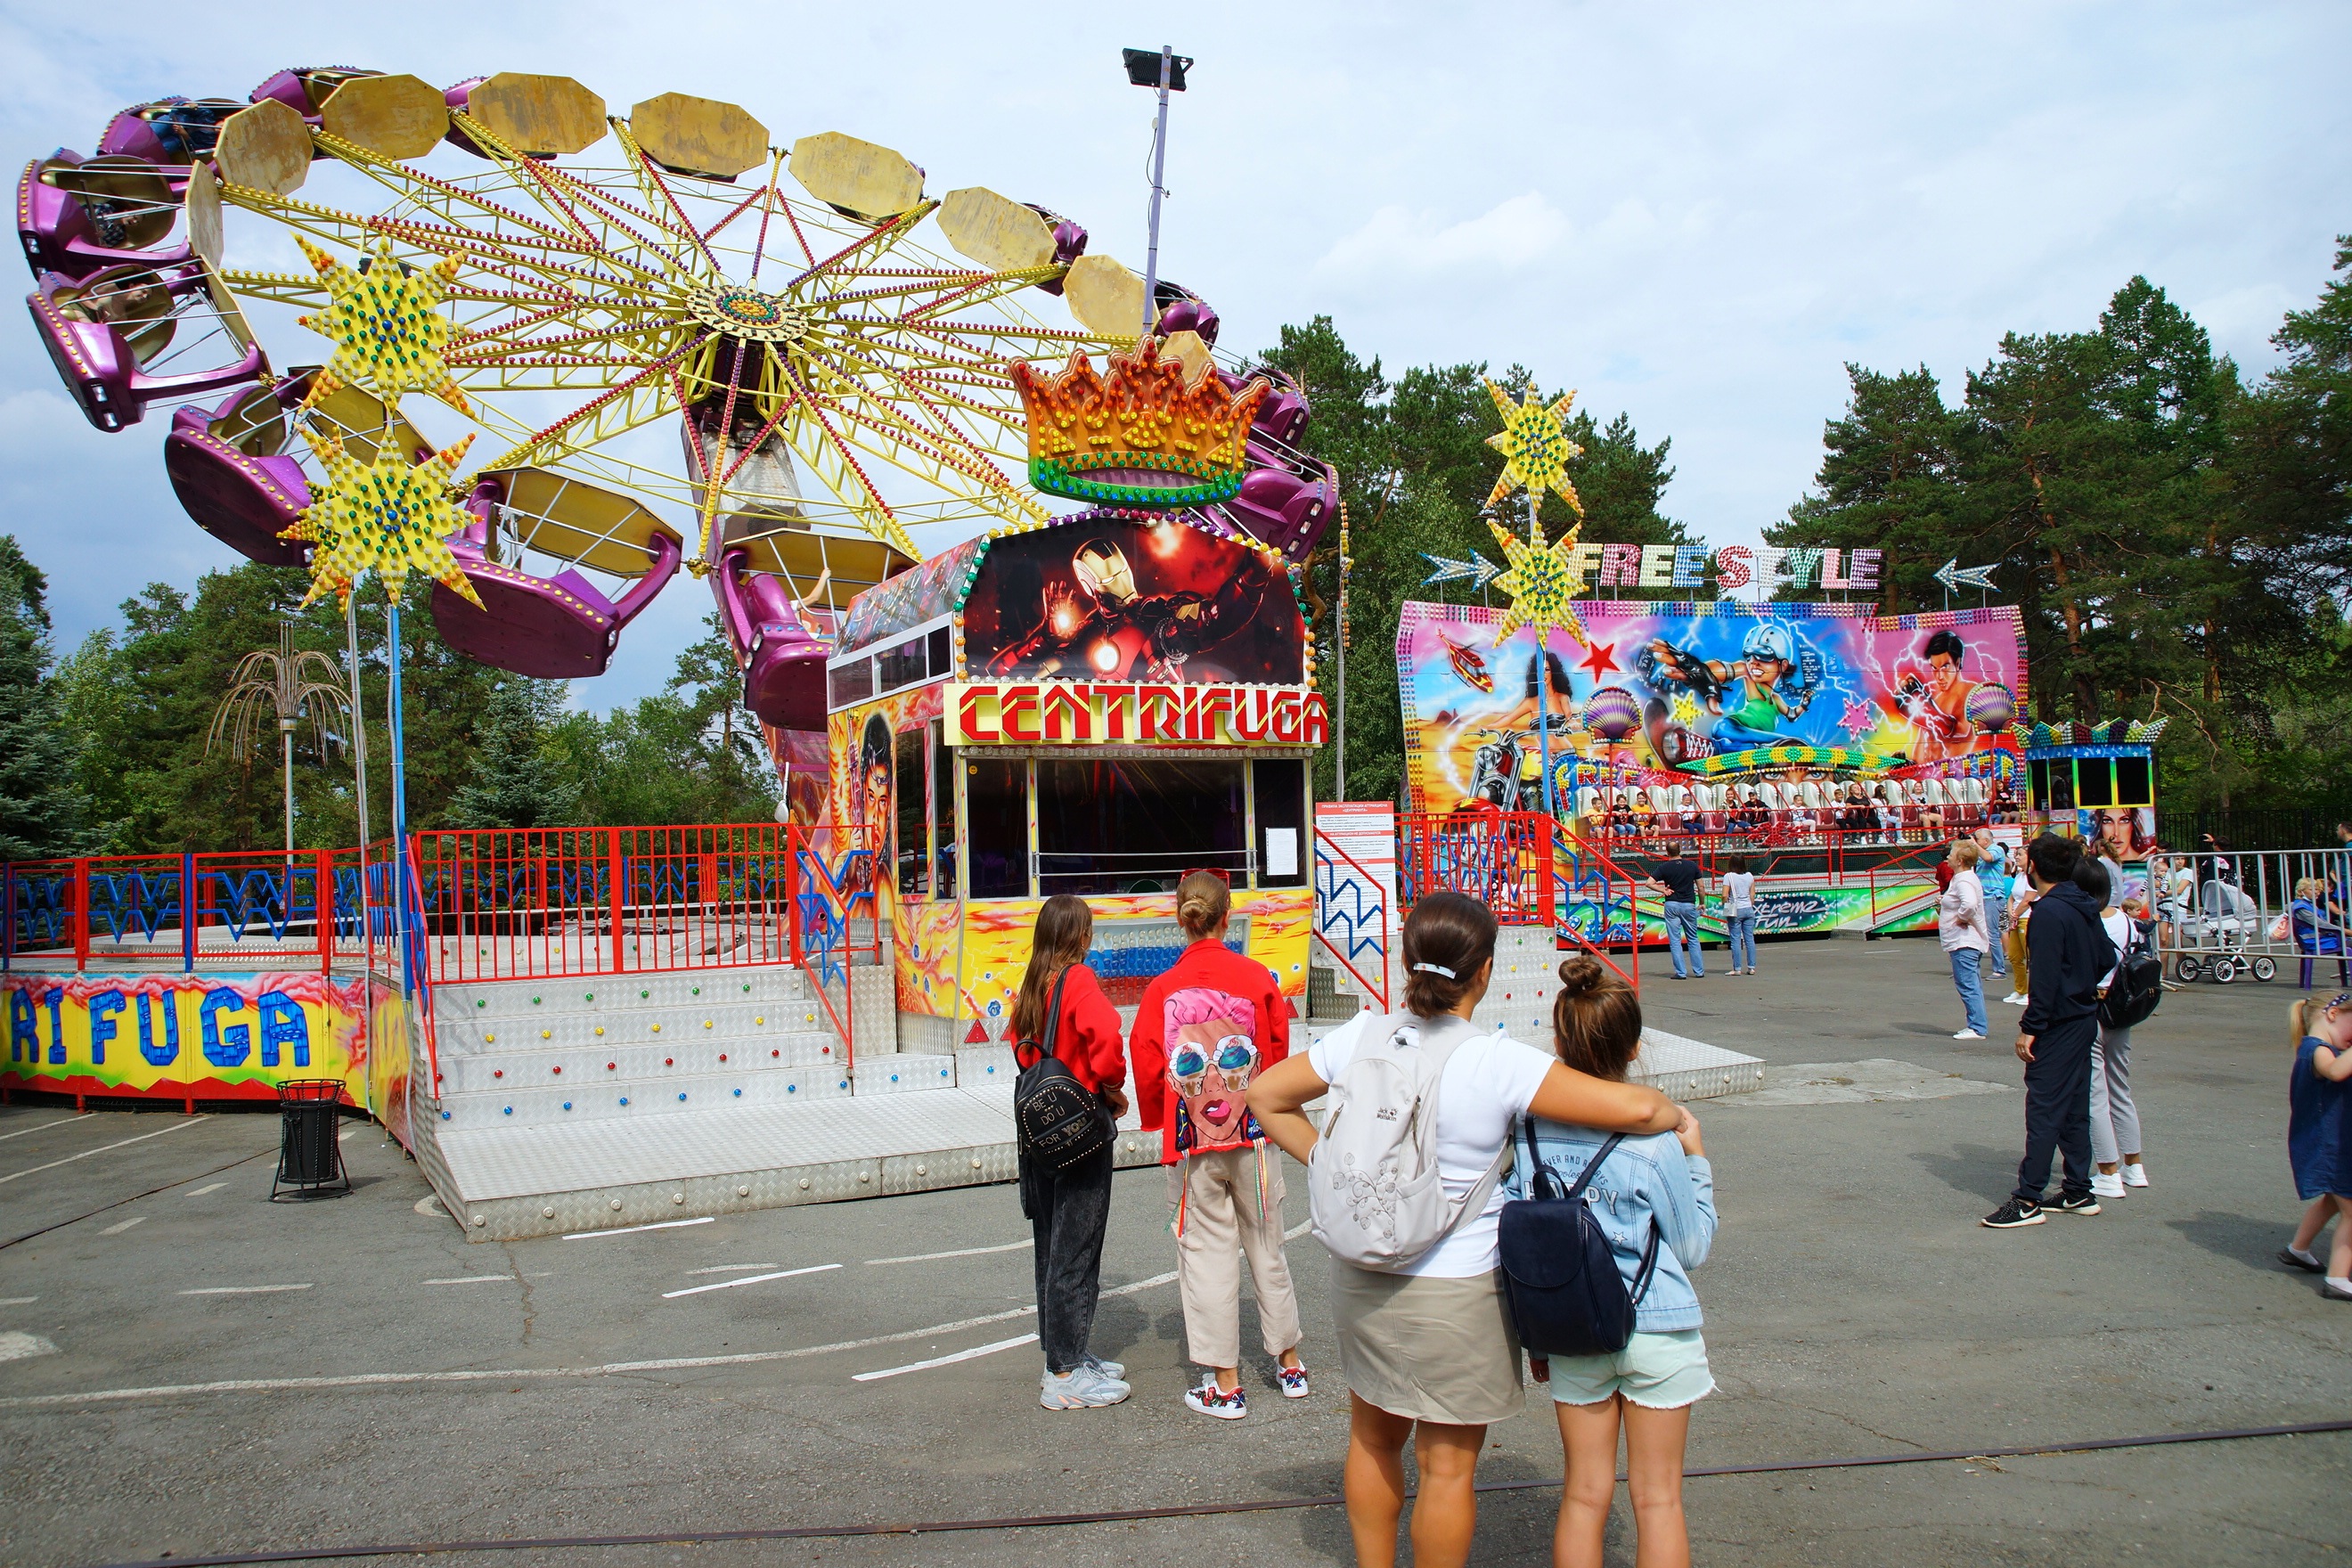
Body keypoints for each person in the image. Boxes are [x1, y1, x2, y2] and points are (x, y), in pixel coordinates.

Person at [1245, 893, 1685, 1568]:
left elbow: (1265, 1095)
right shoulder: (1496, 1060)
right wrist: (1681, 1122)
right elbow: (1641, 1107)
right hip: (1456, 1289)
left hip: (1362, 1275)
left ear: (1405, 958)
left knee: (1371, 1439)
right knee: (1446, 1470)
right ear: (1481, 971)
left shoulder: (1360, 1034)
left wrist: (1337, 1169)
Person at [1512, 957, 1717, 1568]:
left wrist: (1538, 1342)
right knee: (1658, 1501)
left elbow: (1527, 1238)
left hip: (1574, 1328)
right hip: (1657, 1322)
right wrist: (1699, 1161)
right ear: (1633, 1048)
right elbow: (1692, 1247)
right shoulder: (1654, 1139)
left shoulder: (1529, 1132)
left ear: (1558, 1043)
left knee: (1582, 1495)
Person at [1130, 870, 1308, 1420]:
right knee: (1267, 1244)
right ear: (1227, 916)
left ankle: (1224, 1383)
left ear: (1181, 917)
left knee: (1206, 1253)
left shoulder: (1162, 989)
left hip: (1191, 1145)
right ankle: (1289, 1363)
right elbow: (1277, 1054)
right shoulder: (1257, 979)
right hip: (1254, 1136)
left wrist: (1157, 1117)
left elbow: (1144, 1056)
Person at [1010, 894, 1134, 1409]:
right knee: (1077, 1245)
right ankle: (1064, 1373)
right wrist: (1109, 1085)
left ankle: (1063, 1351)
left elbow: (1018, 1046)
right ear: (1079, 937)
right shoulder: (1077, 979)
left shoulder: (1032, 983)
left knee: (1050, 1241)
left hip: (1039, 1132)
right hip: (1081, 1130)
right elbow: (1106, 1035)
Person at [1984, 835, 2116, 1229]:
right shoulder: (2083, 904)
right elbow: (2107, 956)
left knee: (2044, 1109)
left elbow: (2043, 979)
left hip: (2057, 1020)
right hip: (2083, 1016)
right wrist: (2081, 979)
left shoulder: (2048, 912)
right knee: (2075, 1105)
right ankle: (2077, 1188)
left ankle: (2028, 1198)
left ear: (2033, 868)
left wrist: (2030, 1028)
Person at [2278, 992, 2352, 1301]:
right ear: (2332, 1016)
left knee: (2332, 1202)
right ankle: (2337, 1277)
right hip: (2328, 1146)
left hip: (2332, 1144)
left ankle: (2298, 1249)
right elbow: (2336, 1072)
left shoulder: (2323, 1049)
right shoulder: (2316, 1050)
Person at [2088, 867, 2150, 1200]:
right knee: (2120, 1088)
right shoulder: (2126, 921)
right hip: (2124, 1007)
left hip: (2095, 1006)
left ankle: (2107, 1170)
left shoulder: (2086, 922)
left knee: (2095, 1093)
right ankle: (2134, 1164)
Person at [1939, 840, 1991, 1041]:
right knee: (1970, 983)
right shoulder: (1963, 878)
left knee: (1967, 984)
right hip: (1964, 940)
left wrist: (1961, 917)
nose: (1948, 857)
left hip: (1964, 941)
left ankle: (1977, 1027)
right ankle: (1976, 1024)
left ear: (1960, 860)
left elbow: (1969, 904)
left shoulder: (1963, 880)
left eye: (1951, 854)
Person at [1646, 845, 1709, 981]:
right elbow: (1701, 887)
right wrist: (1702, 902)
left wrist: (1663, 890)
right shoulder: (1692, 866)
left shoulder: (1664, 867)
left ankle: (1681, 972)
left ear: (1667, 852)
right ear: (1680, 851)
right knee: (1692, 938)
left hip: (1672, 904)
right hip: (1688, 904)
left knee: (1675, 940)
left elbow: (1649, 883)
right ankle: (1699, 971)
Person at [1973, 828, 2012, 982]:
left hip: (1993, 897)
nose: (1975, 841)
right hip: (1983, 897)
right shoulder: (1981, 851)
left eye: (1977, 839)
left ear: (1986, 840)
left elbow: (1989, 858)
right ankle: (1972, 967)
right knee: (1978, 933)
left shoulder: (1996, 849)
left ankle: (1999, 970)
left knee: (1992, 934)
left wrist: (1973, 845)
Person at [2001, 855, 2038, 1007]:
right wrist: (2011, 913)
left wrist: (2015, 914)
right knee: (2015, 956)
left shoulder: (2032, 877)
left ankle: (2032, 993)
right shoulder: (2020, 876)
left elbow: (2028, 899)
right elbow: (2011, 897)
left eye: (2020, 854)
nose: (2017, 857)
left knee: (2031, 958)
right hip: (2016, 919)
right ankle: (2020, 989)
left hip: (2027, 918)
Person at [1722, 855, 1758, 976]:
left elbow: (1724, 895)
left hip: (1736, 909)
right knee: (1749, 939)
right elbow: (1752, 895)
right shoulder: (1749, 876)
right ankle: (1751, 967)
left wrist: (1726, 905)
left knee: (1736, 939)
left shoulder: (1729, 876)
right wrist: (1749, 904)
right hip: (1748, 908)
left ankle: (1737, 968)